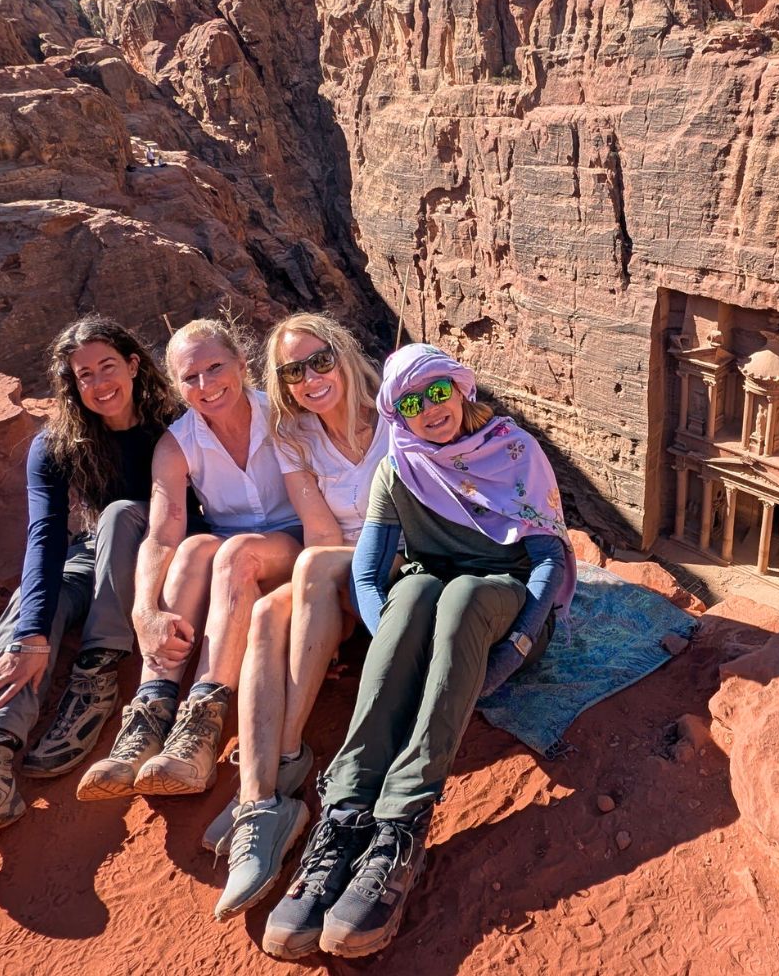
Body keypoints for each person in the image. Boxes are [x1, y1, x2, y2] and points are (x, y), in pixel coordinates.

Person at [263, 343, 575, 960]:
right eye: (411, 401)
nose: (430, 409)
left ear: (461, 390)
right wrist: (395, 644)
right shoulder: (398, 468)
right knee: (412, 597)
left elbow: (546, 560)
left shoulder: (515, 452)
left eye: (438, 391)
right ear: (396, 413)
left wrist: (512, 651)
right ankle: (346, 818)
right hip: (434, 610)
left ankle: (401, 824)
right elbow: (370, 574)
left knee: (458, 596)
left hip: (508, 610)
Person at [77, 318, 303, 800]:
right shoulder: (178, 442)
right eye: (190, 378)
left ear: (243, 365)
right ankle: (149, 714)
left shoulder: (285, 416)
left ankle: (201, 726)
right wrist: (144, 611)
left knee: (234, 552)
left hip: (296, 540)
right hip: (225, 551)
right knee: (195, 548)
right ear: (177, 385)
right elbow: (162, 532)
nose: (205, 386)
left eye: (215, 367)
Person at [210, 313, 389, 921]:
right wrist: (328, 596)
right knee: (265, 611)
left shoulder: (393, 416)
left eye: (320, 360)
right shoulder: (297, 438)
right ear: (282, 383)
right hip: (334, 576)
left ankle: (284, 758)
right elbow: (317, 532)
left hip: (402, 564)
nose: (311, 378)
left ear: (341, 353)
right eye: (293, 371)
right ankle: (263, 800)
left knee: (311, 571)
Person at [0, 317, 182, 840]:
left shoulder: (176, 424)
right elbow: (44, 535)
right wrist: (32, 634)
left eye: (108, 367)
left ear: (134, 365)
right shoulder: (57, 445)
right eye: (84, 375)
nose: (98, 384)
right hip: (95, 555)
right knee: (32, 605)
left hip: (170, 556)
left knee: (118, 513)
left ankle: (95, 675)